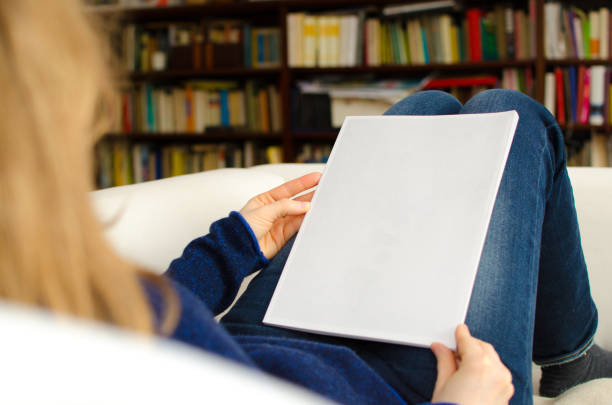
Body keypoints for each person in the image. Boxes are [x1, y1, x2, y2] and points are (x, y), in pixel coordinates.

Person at [0, 1, 610, 404]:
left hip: (260, 337)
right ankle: (570, 356)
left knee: (425, 113)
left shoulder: (29, 282)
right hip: (404, 387)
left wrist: (231, 246)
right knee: (512, 115)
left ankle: (569, 353)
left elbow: (134, 329)